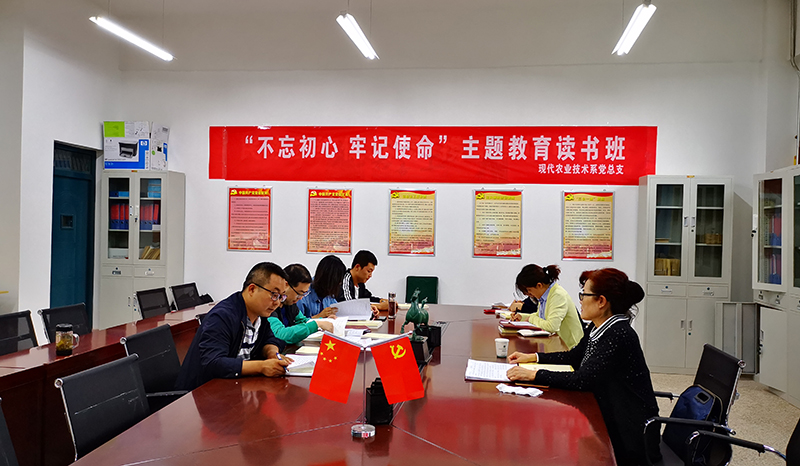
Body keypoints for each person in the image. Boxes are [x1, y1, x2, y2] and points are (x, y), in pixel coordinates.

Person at [506, 268, 661, 466]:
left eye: (584, 295)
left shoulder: (618, 334)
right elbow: (574, 357)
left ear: (601, 301)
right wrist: (534, 357)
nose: (580, 300)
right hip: (610, 412)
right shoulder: (597, 326)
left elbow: (583, 379)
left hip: (629, 431)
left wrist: (534, 375)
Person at [175, 262, 293, 391]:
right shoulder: (223, 316)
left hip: (236, 386)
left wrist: (272, 352)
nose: (277, 303)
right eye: (274, 295)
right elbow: (213, 363)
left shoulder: (261, 315)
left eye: (281, 297)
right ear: (252, 289)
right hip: (201, 393)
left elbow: (272, 338)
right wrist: (261, 366)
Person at [509, 264, 584, 349]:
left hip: (571, 347)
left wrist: (530, 319)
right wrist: (522, 317)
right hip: (556, 344)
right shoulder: (544, 296)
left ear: (539, 285)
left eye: (529, 290)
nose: (530, 294)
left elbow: (552, 327)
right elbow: (540, 316)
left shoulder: (557, 295)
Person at [268, 264, 334, 344]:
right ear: (286, 285)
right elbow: (279, 334)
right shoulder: (270, 306)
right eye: (299, 293)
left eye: (304, 294)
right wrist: (316, 324)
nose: (300, 298)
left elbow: (303, 321)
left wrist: (325, 321)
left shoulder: (291, 305)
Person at [296, 255, 346, 319]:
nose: (339, 284)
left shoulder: (329, 294)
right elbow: (298, 322)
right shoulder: (304, 293)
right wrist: (319, 316)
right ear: (328, 280)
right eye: (337, 282)